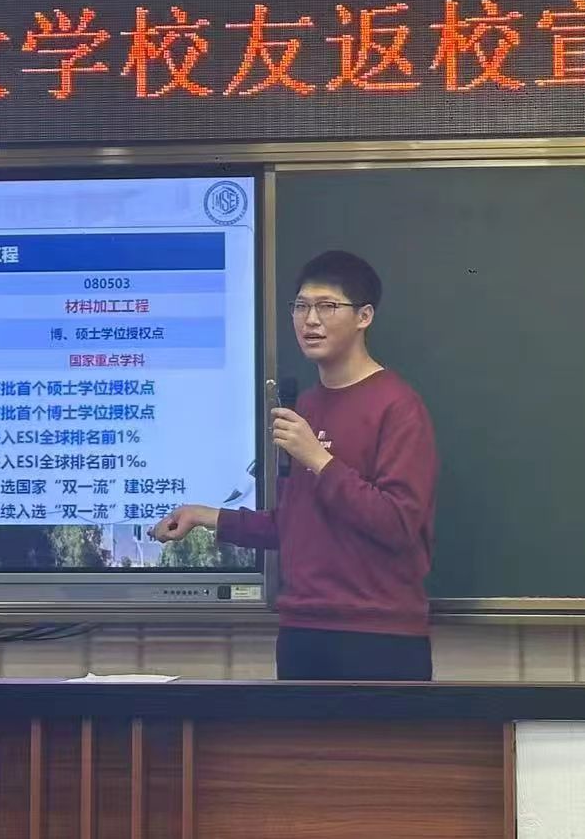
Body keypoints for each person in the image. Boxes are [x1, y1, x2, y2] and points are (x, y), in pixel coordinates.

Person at [152, 250, 438, 680]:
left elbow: (398, 524)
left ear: (364, 316)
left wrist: (319, 459)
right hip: (302, 632)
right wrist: (206, 516)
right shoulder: (307, 406)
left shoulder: (397, 407)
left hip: (378, 636)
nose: (310, 320)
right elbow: (298, 524)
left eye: (327, 306)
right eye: (301, 306)